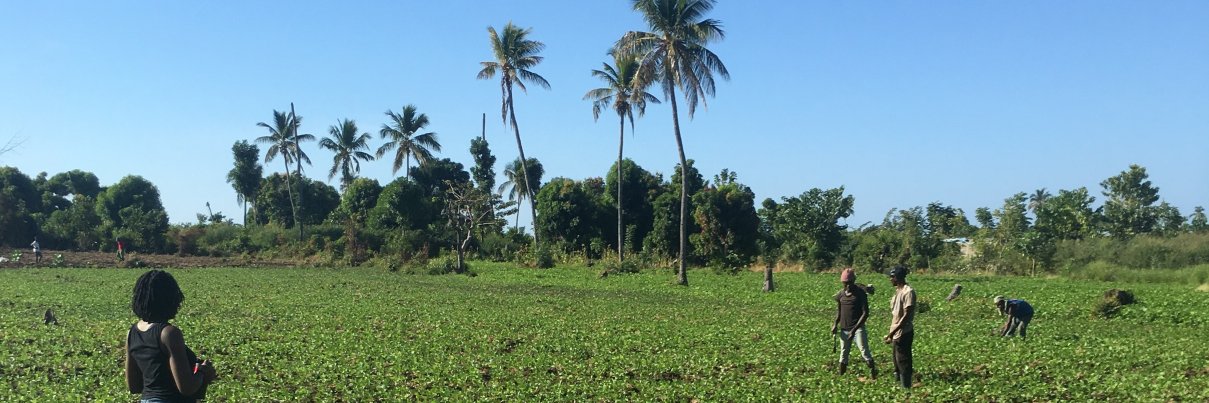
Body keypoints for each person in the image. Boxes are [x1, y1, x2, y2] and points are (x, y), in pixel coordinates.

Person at [125, 270, 217, 402]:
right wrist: (202, 372)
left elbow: (134, 386)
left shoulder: (132, 333)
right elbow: (186, 388)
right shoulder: (169, 334)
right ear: (169, 299)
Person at [831, 268, 877, 379]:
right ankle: (841, 378)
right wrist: (835, 324)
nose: (847, 285)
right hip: (844, 329)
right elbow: (839, 312)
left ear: (853, 281)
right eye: (845, 283)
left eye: (849, 283)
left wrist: (854, 330)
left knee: (864, 352)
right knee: (843, 355)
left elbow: (865, 313)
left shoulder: (860, 294)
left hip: (858, 329)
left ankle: (874, 374)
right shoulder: (841, 295)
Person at [882, 265, 916, 389]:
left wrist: (891, 334)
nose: (890, 279)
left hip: (904, 332)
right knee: (896, 360)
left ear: (898, 277)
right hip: (897, 332)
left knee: (903, 360)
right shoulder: (898, 291)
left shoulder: (908, 292)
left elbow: (906, 316)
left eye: (892, 277)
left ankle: (906, 388)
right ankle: (898, 387)